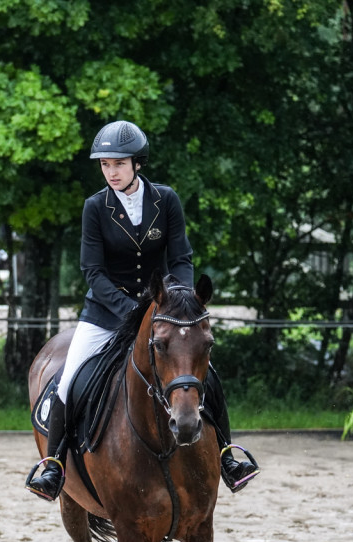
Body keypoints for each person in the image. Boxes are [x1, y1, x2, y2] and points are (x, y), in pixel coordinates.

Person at [26, 120, 260, 502]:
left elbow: (181, 257)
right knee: (68, 379)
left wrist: (176, 298)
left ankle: (227, 455)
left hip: (164, 310)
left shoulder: (165, 200)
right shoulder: (95, 208)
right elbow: (93, 272)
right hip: (105, 314)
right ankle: (53, 465)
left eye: (118, 164)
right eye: (104, 165)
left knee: (206, 374)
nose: (111, 172)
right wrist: (133, 310)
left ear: (137, 163)